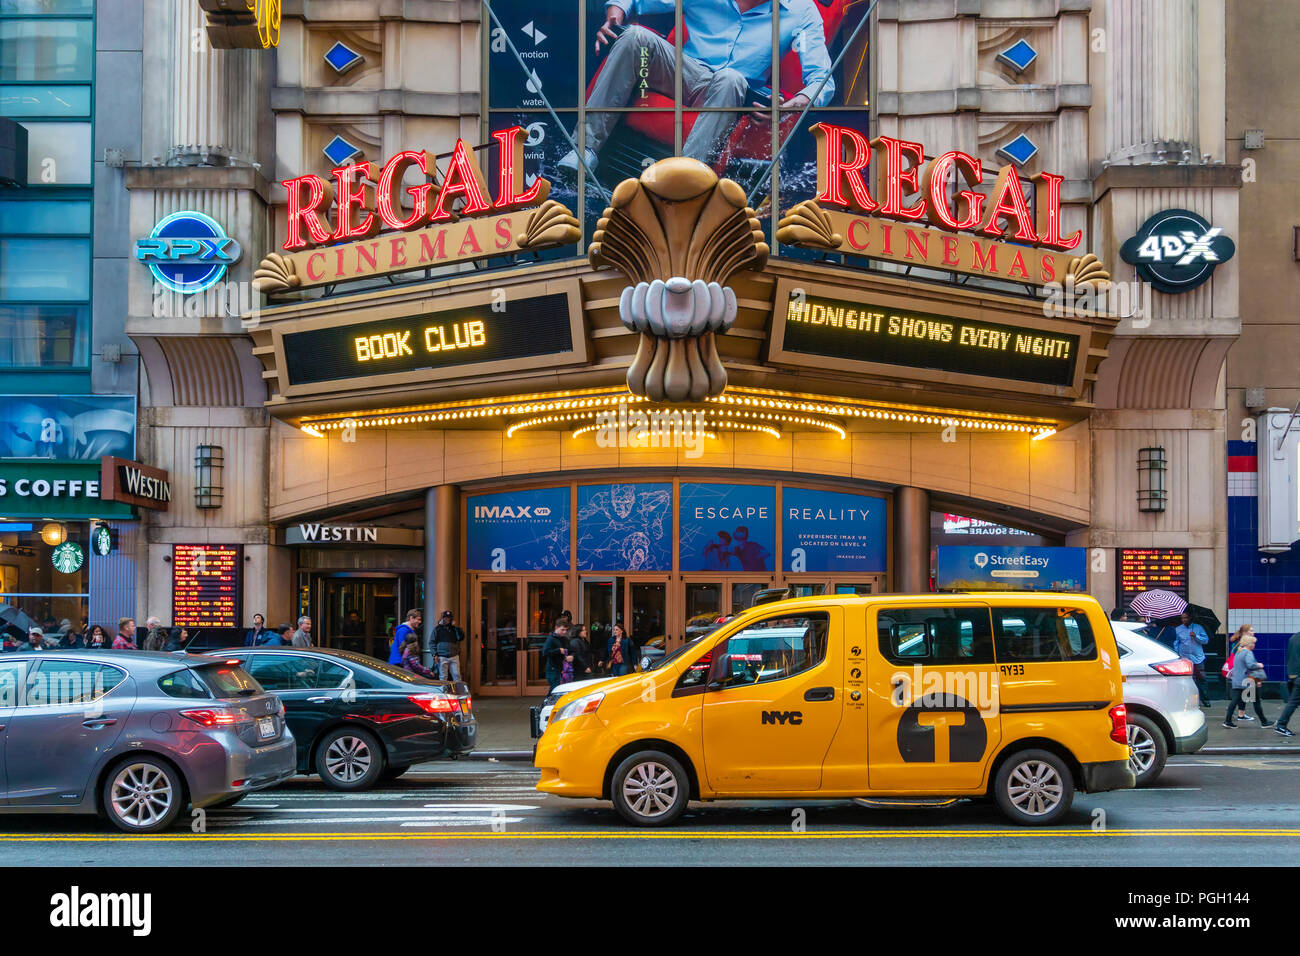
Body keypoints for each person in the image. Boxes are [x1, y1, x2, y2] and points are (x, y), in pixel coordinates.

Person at [566, 0, 834, 172]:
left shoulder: (801, 10)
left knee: (731, 78)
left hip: (733, 90)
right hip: (686, 70)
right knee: (636, 36)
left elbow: (821, 78)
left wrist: (794, 103)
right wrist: (617, 10)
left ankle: (685, 176)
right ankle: (584, 150)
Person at [1223, 632, 1272, 729]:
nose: (1254, 645)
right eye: (1253, 643)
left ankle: (1227, 721)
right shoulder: (1248, 653)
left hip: (1237, 681)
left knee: (1234, 701)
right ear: (1248, 644)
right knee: (1256, 701)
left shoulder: (1238, 652)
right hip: (1247, 682)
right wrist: (1259, 665)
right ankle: (1264, 722)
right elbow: (1250, 665)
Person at [1173, 610, 1211, 707]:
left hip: (1197, 658)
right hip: (1184, 658)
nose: (1184, 620)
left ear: (1190, 618)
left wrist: (1196, 636)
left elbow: (1206, 640)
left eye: (1185, 617)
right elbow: (1176, 643)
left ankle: (1205, 699)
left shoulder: (1198, 628)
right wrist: (1178, 655)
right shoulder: (1178, 629)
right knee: (1187, 680)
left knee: (1201, 679)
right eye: (1182, 618)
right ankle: (1189, 700)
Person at [1225, 626, 1255, 721]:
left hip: (1239, 674)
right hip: (1241, 674)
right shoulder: (1243, 644)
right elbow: (1246, 661)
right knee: (1238, 697)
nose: (1253, 632)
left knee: (1241, 696)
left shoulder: (1239, 643)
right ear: (1245, 632)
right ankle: (1230, 718)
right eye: (1251, 630)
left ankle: (1240, 715)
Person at [1275, 629, 1300, 737]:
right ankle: (1281, 724)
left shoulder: (1293, 637)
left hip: (1294, 673)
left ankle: (1281, 724)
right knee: (1293, 702)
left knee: (1293, 702)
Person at [433, 610, 465, 682]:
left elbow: (461, 638)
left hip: (454, 656)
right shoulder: (437, 629)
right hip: (442, 656)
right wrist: (435, 654)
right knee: (443, 677)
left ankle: (458, 692)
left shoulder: (455, 629)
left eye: (449, 618)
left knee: (457, 675)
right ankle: (443, 692)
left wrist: (456, 628)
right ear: (443, 618)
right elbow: (432, 642)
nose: (447, 619)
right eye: (446, 618)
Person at [542, 621, 571, 691]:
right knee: (555, 689)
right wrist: (558, 651)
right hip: (553, 669)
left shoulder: (565, 639)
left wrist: (571, 656)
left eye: (566, 630)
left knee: (559, 690)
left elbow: (570, 650)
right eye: (562, 630)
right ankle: (548, 702)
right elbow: (545, 652)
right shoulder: (551, 639)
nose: (564, 632)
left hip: (563, 669)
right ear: (556, 628)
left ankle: (550, 702)